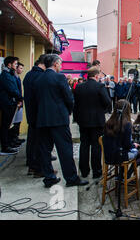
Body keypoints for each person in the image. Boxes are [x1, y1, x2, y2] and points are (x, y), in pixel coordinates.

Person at [35, 54, 88, 188]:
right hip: (58, 118)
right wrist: (69, 111)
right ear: (55, 64)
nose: (61, 66)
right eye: (59, 64)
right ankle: (71, 178)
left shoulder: (38, 78)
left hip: (42, 119)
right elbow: (69, 98)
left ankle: (49, 177)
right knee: (65, 150)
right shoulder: (59, 77)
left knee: (45, 151)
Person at [73, 67, 112, 179]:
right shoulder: (99, 86)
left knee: (84, 145)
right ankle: (96, 171)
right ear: (96, 76)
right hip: (97, 121)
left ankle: (84, 171)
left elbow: (76, 104)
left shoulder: (79, 87)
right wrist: (102, 109)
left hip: (83, 120)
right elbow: (107, 102)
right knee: (96, 146)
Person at [102, 100, 140, 175]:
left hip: (108, 156)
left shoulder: (108, 122)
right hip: (119, 156)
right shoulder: (127, 124)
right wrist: (134, 145)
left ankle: (120, 174)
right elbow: (127, 145)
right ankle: (127, 175)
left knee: (124, 150)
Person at [23, 55, 47, 176]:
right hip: (38, 114)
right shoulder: (39, 76)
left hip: (31, 113)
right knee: (39, 142)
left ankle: (32, 163)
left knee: (32, 140)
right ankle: (37, 167)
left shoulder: (29, 74)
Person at [0, 56, 23, 155]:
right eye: (15, 64)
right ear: (9, 64)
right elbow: (12, 90)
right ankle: (5, 147)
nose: (16, 66)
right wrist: (20, 98)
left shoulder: (9, 75)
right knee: (6, 125)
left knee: (9, 125)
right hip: (7, 104)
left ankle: (9, 144)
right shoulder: (5, 75)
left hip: (10, 103)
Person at [9, 62, 25, 146]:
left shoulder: (17, 77)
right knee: (14, 122)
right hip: (16, 102)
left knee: (18, 121)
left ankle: (16, 137)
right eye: (20, 68)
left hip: (19, 102)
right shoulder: (13, 77)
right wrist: (19, 99)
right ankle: (12, 139)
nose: (21, 70)